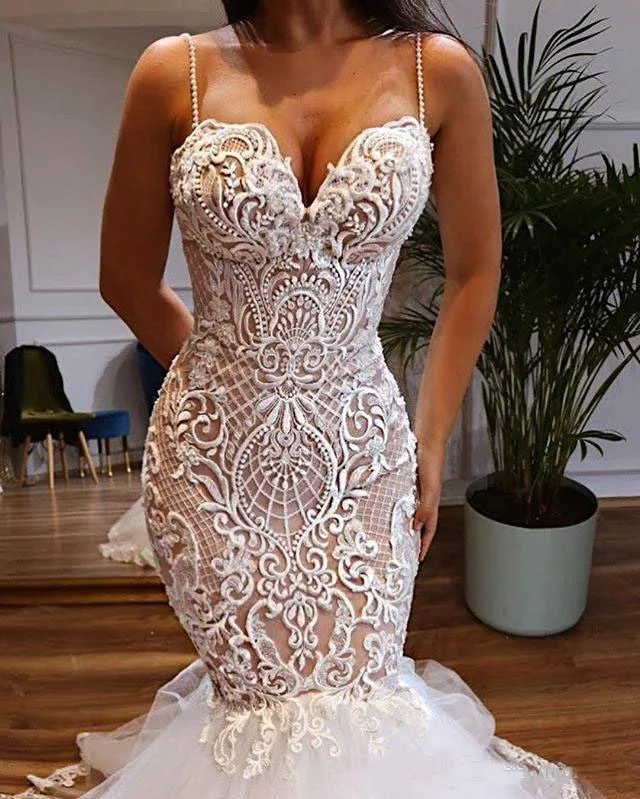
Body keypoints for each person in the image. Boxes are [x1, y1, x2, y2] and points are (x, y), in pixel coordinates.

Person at [3, 2, 605, 797]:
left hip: (362, 458)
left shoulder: (438, 70)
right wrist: (226, 375)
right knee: (254, 716)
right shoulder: (174, 73)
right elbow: (125, 277)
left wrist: (429, 440)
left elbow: (475, 273)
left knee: (361, 697)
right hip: (214, 468)